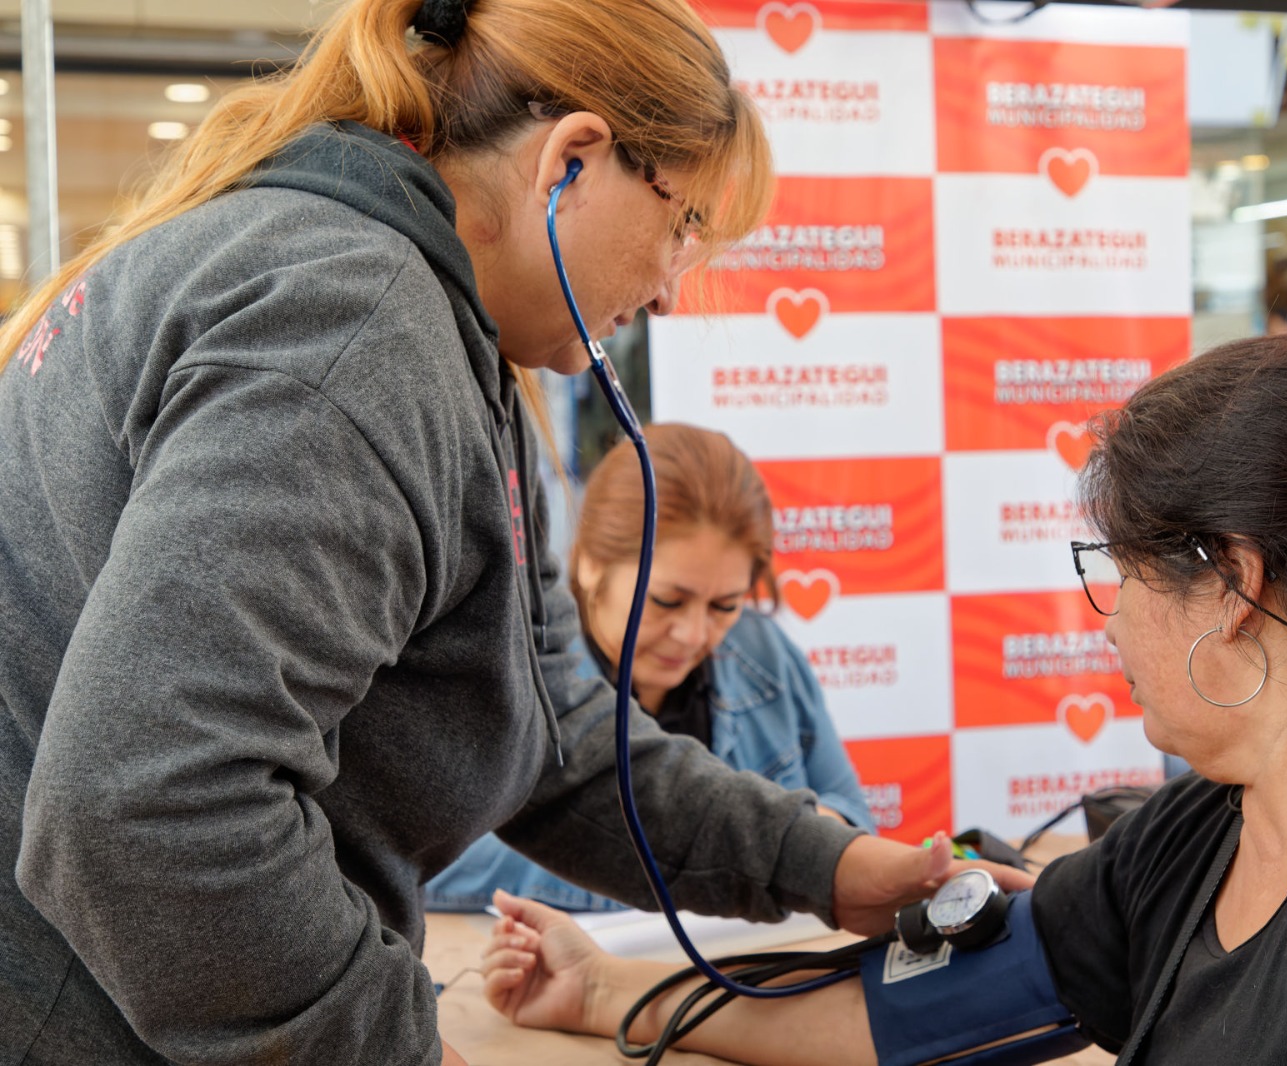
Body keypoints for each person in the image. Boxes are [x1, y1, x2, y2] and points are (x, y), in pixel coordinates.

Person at [0, 2, 1028, 1064]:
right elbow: (147, 805)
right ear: (571, 160)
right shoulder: (352, 329)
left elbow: (552, 729)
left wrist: (829, 867)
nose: (672, 293)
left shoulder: (410, 322)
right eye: (682, 225)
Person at [480, 333, 1287, 1064]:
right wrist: (609, 991)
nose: (1105, 620)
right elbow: (907, 1010)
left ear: (1233, 588)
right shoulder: (1206, 826)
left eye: (1118, 575)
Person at [426, 422, 874, 913]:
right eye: (666, 601)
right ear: (589, 562)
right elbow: (436, 859)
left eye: (725, 605)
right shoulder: (509, 673)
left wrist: (810, 847)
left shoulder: (764, 653)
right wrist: (722, 864)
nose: (693, 634)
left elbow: (852, 815)